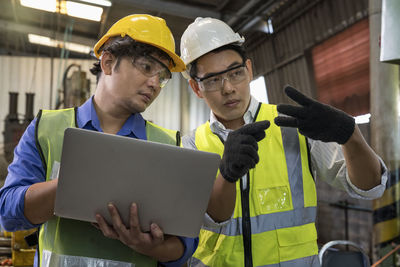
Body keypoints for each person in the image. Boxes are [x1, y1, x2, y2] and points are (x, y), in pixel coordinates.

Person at [179, 17, 388, 267]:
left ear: (249, 69)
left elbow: (370, 187)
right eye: (213, 80)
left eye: (235, 73)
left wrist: (350, 135)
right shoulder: (191, 145)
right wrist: (226, 175)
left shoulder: (294, 126)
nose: (228, 88)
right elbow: (204, 220)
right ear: (196, 87)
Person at [0, 14, 198, 267]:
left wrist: (155, 247)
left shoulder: (167, 144)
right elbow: (8, 214)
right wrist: (69, 185)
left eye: (162, 77)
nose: (154, 84)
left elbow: (185, 243)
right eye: (147, 68)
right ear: (107, 62)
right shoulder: (46, 129)